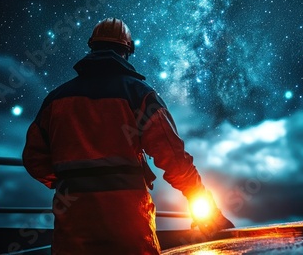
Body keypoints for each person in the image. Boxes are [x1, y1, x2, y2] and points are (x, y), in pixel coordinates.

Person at [22, 18, 234, 254]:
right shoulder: (139, 95)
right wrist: (209, 210)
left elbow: (34, 160)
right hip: (129, 230)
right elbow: (174, 159)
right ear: (127, 51)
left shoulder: (56, 100)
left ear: (92, 47)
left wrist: (69, 181)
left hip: (72, 227)